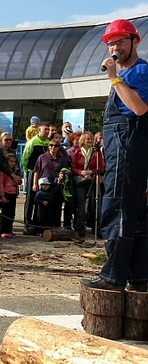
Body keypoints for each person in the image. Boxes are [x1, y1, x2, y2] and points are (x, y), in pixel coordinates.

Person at [82, 19, 148, 291]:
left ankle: (113, 276)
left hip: (127, 151)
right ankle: (139, 276)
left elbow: (139, 108)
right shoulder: (126, 74)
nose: (115, 48)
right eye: (111, 43)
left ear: (135, 42)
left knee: (116, 210)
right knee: (134, 215)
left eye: (121, 41)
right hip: (122, 151)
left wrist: (114, 78)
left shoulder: (138, 72)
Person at [70, 132, 104, 238]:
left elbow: (101, 167)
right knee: (80, 205)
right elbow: (73, 167)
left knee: (95, 205)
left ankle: (97, 229)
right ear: (83, 140)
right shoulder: (77, 152)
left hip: (92, 180)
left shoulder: (96, 153)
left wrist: (91, 172)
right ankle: (80, 228)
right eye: (87, 139)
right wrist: (82, 172)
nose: (89, 141)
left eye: (91, 139)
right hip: (80, 181)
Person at [31, 139, 69, 228]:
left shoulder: (62, 159)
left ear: (59, 147)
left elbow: (65, 171)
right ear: (48, 147)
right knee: (41, 207)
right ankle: (40, 227)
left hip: (56, 184)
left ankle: (55, 226)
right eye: (51, 145)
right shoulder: (42, 157)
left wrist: (62, 175)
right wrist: (34, 184)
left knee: (56, 206)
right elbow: (36, 171)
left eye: (55, 146)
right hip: (44, 185)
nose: (53, 148)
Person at [21, 123, 51, 227]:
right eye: (45, 129)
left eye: (48, 129)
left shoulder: (48, 142)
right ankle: (27, 221)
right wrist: (27, 170)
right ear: (39, 130)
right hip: (32, 171)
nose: (47, 131)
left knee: (41, 197)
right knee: (30, 197)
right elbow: (25, 157)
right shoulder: (32, 142)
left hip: (43, 174)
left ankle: (37, 221)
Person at [0, 153, 20, 238]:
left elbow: (19, 182)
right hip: (5, 193)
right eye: (11, 161)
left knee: (11, 213)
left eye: (14, 161)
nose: (12, 163)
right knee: (5, 213)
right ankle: (3, 230)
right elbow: (0, 183)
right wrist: (2, 195)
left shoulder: (15, 171)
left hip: (13, 193)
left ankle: (9, 230)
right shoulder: (3, 171)